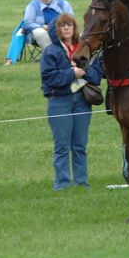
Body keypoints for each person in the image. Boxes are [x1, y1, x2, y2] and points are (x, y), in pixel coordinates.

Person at [40, 13, 103, 191]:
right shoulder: (51, 51)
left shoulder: (84, 49)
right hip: (59, 101)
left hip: (83, 100)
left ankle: (82, 182)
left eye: (70, 25)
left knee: (80, 145)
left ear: (75, 28)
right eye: (62, 25)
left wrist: (83, 72)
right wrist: (71, 74)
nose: (67, 28)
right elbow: (48, 78)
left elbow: (97, 75)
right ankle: (62, 184)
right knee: (61, 146)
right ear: (56, 30)